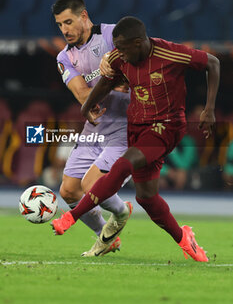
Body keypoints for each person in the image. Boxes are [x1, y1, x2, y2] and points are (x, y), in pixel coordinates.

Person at [51, 16, 220, 262]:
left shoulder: (172, 53)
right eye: (115, 47)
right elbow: (107, 82)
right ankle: (185, 238)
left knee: (122, 165)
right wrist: (87, 105)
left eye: (122, 47)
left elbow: (213, 63)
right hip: (137, 127)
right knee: (147, 198)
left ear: (139, 43)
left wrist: (209, 108)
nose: (116, 52)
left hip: (166, 127)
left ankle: (71, 217)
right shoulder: (121, 57)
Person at [51, 0, 132, 257]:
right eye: (60, 25)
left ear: (83, 16)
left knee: (91, 186)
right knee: (68, 190)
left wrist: (118, 81)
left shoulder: (112, 35)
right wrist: (110, 81)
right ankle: (106, 237)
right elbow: (84, 95)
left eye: (68, 22)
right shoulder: (64, 57)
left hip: (125, 126)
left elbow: (136, 74)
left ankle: (121, 213)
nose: (64, 30)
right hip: (94, 129)